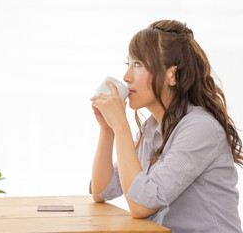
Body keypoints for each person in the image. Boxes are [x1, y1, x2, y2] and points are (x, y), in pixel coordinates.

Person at [90, 20, 243, 232]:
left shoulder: (200, 128)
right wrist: (108, 130)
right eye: (129, 64)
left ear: (172, 75)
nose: (126, 77)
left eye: (138, 65)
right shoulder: (151, 129)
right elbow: (101, 191)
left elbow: (141, 205)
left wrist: (122, 127)